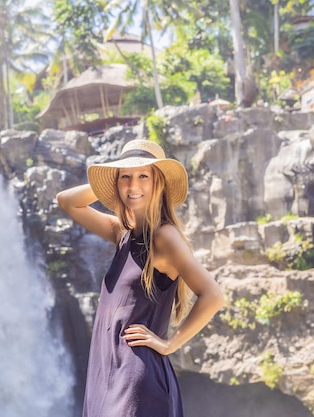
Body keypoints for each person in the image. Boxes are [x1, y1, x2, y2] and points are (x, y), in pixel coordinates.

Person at [56, 139, 225, 417]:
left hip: (136, 383)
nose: (133, 186)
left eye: (143, 176)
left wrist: (169, 344)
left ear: (158, 182)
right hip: (107, 377)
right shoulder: (123, 234)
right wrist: (110, 181)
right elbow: (67, 202)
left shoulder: (164, 237)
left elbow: (213, 295)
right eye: (126, 177)